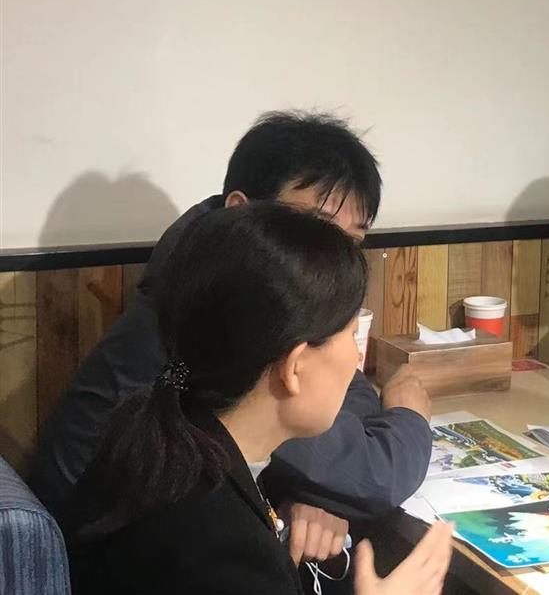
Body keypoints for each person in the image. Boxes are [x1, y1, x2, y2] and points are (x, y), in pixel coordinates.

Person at [31, 111, 433, 566]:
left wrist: (317, 490)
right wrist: (406, 415)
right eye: (316, 228)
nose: (335, 259)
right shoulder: (213, 325)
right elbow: (370, 475)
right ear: (241, 211)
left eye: (351, 241)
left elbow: (342, 395)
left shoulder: (220, 286)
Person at [66, 202, 453, 595]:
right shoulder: (224, 547)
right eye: (351, 334)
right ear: (294, 367)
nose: (356, 356)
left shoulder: (159, 430)